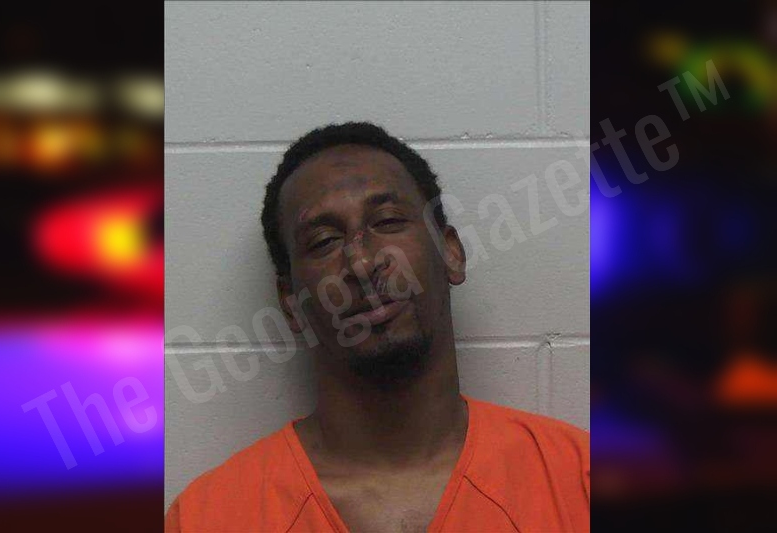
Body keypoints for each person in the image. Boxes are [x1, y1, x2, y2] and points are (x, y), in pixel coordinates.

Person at [165, 122, 589, 532]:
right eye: (324, 241)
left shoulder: (580, 481)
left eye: (387, 221)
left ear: (451, 253)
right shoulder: (207, 518)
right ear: (291, 303)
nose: (362, 262)